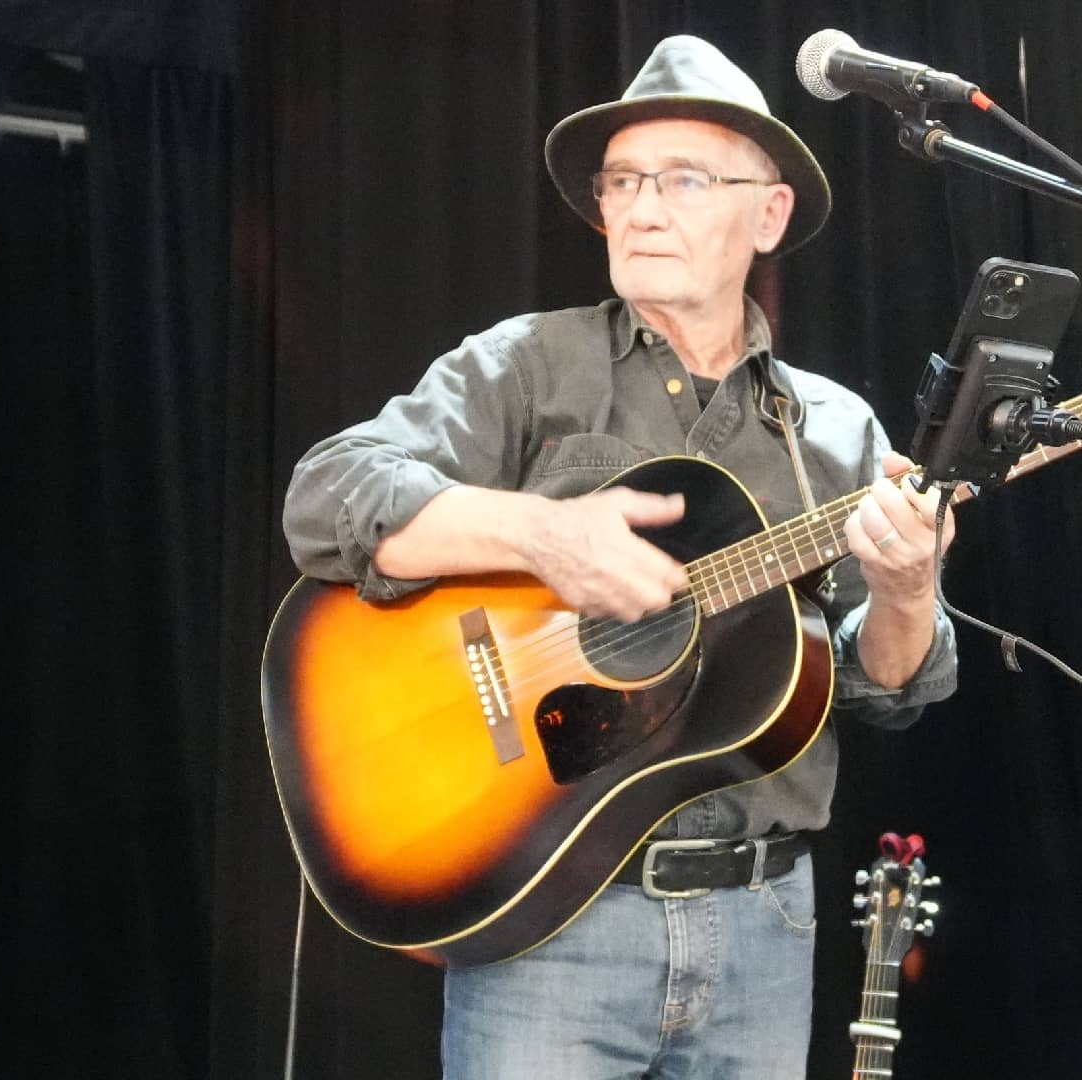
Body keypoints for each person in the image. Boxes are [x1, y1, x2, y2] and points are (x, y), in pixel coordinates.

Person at [283, 35, 959, 1078]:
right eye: (621, 182)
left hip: (767, 926)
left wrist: (909, 589)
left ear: (768, 213)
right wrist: (541, 535)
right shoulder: (527, 365)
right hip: (556, 926)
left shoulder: (833, 431)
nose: (640, 208)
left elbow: (886, 687)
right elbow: (328, 496)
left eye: (682, 179)